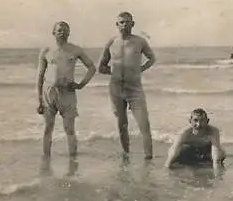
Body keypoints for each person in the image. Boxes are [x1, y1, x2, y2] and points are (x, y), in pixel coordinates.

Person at [36, 21, 96, 176]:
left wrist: (81, 85)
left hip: (67, 93)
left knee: (69, 129)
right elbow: (40, 76)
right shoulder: (46, 51)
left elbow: (92, 67)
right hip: (49, 93)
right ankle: (46, 162)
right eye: (59, 30)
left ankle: (72, 163)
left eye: (65, 30)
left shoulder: (75, 50)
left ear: (69, 33)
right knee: (47, 128)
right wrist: (39, 100)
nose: (62, 32)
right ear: (53, 33)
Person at [97, 12, 156, 163]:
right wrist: (116, 72)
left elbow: (152, 58)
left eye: (127, 22)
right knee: (122, 124)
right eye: (121, 22)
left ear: (133, 24)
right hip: (116, 87)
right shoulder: (111, 42)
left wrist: (140, 69)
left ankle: (148, 158)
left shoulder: (140, 41)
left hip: (134, 87)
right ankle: (126, 156)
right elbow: (101, 67)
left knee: (144, 123)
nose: (124, 25)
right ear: (117, 25)